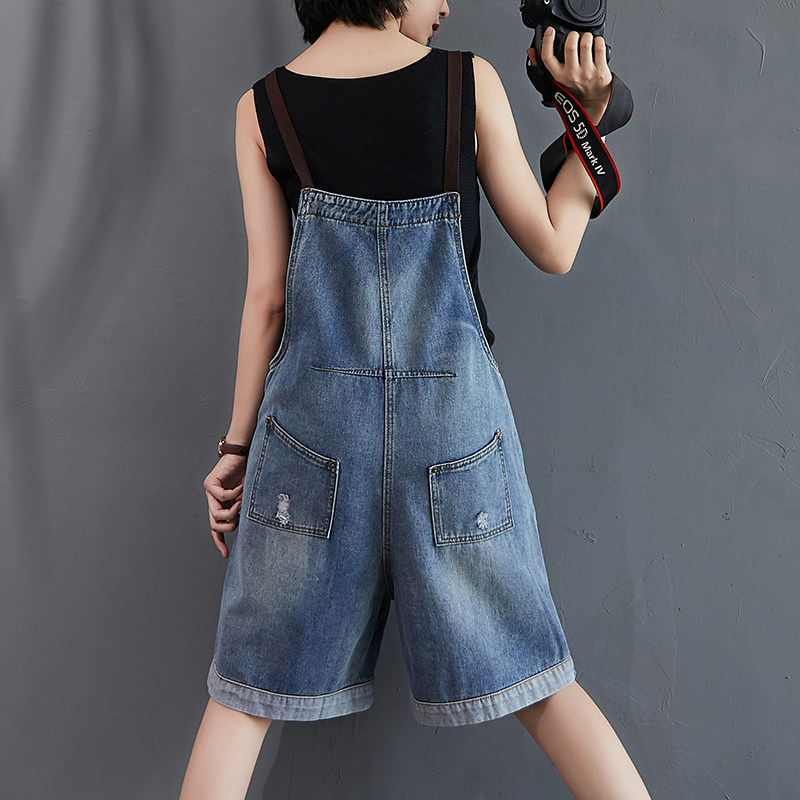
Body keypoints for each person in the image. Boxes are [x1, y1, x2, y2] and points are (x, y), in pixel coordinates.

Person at [180, 1, 652, 798]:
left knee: (245, 692)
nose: (445, 6)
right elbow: (554, 245)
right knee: (538, 679)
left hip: (311, 439)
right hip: (454, 430)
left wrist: (235, 448)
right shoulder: (469, 83)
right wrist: (589, 121)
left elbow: (267, 300)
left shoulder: (262, 107)